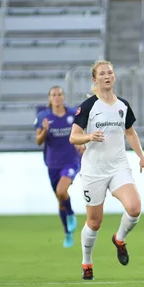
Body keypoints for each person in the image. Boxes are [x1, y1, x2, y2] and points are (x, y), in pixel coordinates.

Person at [69, 60, 144, 281]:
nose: (107, 76)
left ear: (114, 77)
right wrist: (88, 136)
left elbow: (130, 132)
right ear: (95, 80)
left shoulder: (122, 105)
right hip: (94, 170)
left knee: (134, 208)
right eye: (102, 73)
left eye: (110, 72)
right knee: (94, 222)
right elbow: (73, 136)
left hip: (118, 166)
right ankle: (87, 262)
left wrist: (141, 157)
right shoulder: (88, 106)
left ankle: (120, 239)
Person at [34, 86, 83, 248]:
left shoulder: (73, 114)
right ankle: (67, 233)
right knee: (61, 199)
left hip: (71, 161)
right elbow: (38, 141)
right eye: (53, 95)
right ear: (49, 98)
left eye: (59, 94)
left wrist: (82, 145)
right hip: (52, 163)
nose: (56, 97)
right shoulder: (43, 116)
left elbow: (80, 134)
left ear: (63, 97)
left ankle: (70, 214)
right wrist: (45, 130)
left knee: (62, 191)